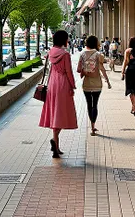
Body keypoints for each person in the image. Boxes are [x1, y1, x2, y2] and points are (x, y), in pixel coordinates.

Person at [39, 30, 77, 158]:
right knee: (61, 114)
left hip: (52, 84)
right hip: (63, 84)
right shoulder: (65, 54)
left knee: (55, 112)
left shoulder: (51, 52)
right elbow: (68, 72)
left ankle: (56, 144)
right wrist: (73, 85)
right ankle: (55, 143)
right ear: (63, 40)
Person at [77, 35, 111, 136]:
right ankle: (93, 126)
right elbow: (102, 69)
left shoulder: (82, 54)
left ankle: (91, 127)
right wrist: (108, 81)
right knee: (95, 105)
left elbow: (79, 69)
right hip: (97, 84)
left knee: (89, 104)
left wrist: (85, 71)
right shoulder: (98, 55)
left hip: (86, 84)